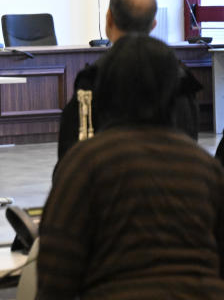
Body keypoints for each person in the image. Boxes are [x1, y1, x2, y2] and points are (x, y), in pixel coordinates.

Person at [38, 35, 224, 300]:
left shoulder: (85, 164)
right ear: (174, 92)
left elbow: (55, 278)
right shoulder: (205, 167)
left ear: (106, 91)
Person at [56, 0, 201, 163]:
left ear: (109, 19)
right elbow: (189, 138)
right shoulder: (180, 79)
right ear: (154, 24)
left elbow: (72, 155)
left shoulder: (94, 80)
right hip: (175, 181)